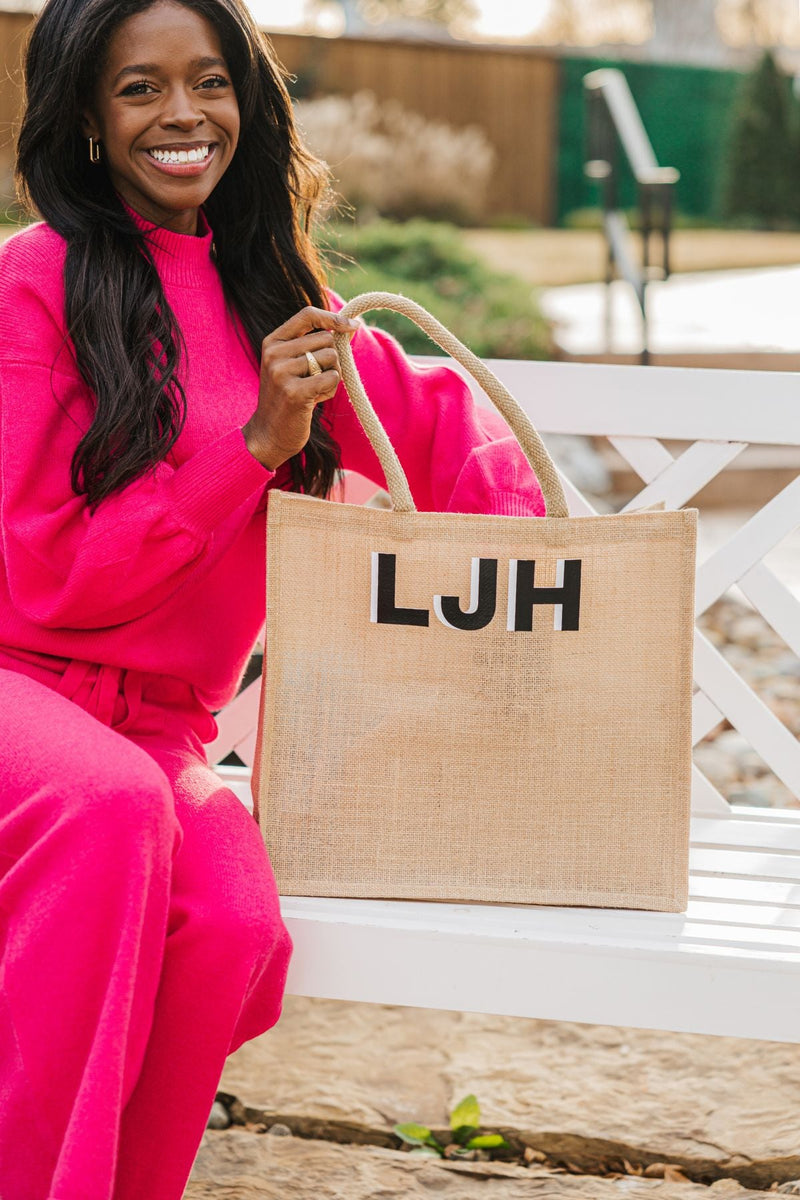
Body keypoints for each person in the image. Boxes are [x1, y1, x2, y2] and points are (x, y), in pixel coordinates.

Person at [0, 0, 545, 1196]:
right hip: (19, 688)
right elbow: (44, 574)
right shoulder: (31, 284)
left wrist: (539, 574)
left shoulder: (268, 297)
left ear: (247, 100)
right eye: (139, 89)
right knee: (103, 816)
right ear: (86, 120)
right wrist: (251, 446)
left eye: (208, 81)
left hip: (162, 729)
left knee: (234, 923)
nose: (182, 114)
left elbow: (441, 427)